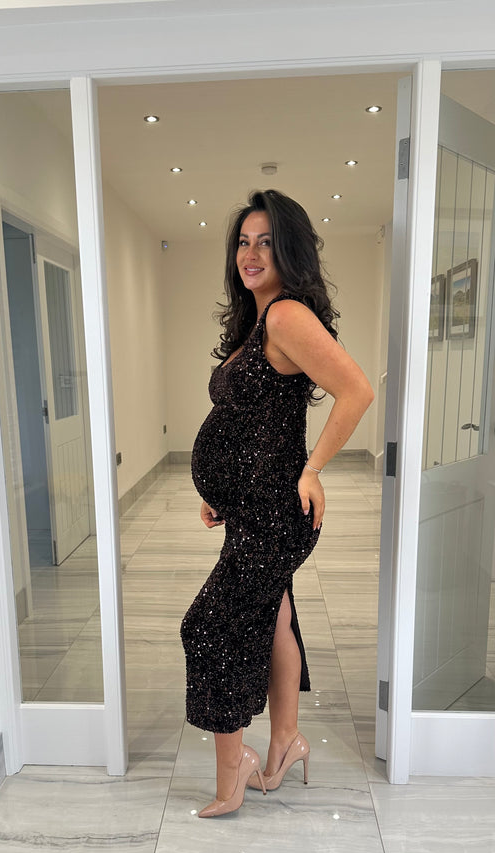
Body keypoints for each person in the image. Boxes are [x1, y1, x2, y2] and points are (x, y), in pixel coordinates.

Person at [180, 189, 374, 818]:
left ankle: (231, 773)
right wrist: (221, 493)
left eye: (266, 242)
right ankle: (286, 742)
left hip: (275, 513)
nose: (251, 253)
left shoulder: (287, 316)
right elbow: (252, 422)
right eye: (243, 241)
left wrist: (313, 469)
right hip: (252, 507)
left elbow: (357, 391)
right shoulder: (259, 321)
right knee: (275, 616)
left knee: (209, 626)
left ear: (289, 251)